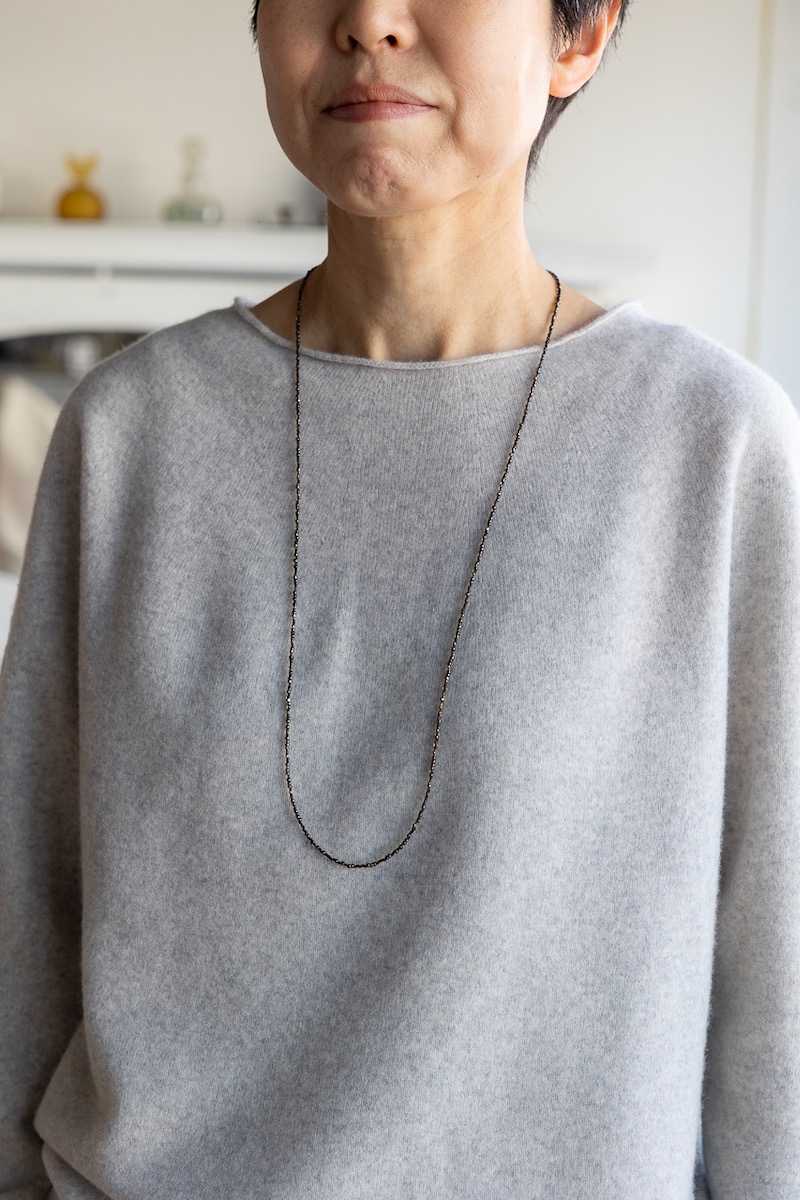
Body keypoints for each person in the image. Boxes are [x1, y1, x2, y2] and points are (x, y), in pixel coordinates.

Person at [1, 0, 798, 1195]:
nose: (369, 19)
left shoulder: (710, 447)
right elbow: (27, 915)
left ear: (578, 37)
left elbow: (772, 980)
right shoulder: (128, 435)